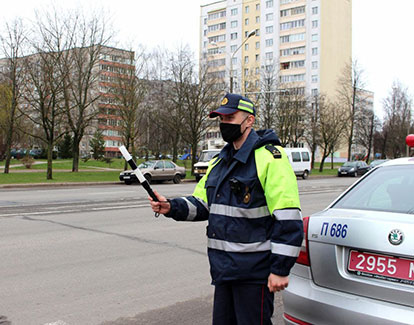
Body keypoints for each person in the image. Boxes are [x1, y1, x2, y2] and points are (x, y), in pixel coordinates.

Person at [149, 93, 303, 325]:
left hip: (253, 273)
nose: (224, 124)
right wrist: (170, 206)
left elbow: (288, 218)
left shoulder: (271, 158)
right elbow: (202, 204)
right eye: (221, 119)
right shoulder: (220, 162)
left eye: (230, 117)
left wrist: (280, 269)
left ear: (249, 120)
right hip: (224, 270)